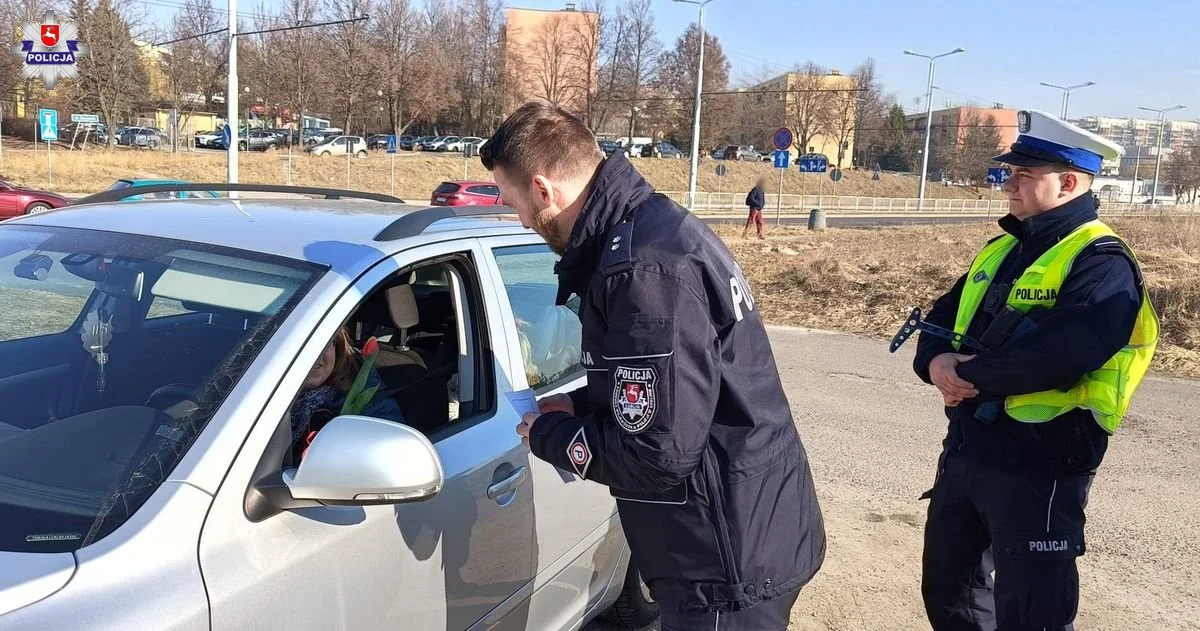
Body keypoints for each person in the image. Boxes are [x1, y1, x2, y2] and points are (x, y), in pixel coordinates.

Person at [481, 101, 825, 631]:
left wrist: (551, 434)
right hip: (744, 525)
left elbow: (657, 454)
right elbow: (676, 390)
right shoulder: (655, 228)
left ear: (543, 190)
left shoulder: (646, 273)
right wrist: (581, 402)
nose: (520, 220)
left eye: (514, 202)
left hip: (722, 561)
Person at [912, 110, 1159, 631]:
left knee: (1032, 610)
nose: (1009, 186)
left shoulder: (1102, 260)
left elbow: (1067, 352)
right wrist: (934, 362)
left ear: (1068, 182)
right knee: (949, 590)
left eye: (1024, 176)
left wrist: (970, 377)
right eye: (1010, 173)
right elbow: (940, 316)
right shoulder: (1005, 246)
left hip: (1042, 460)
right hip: (969, 448)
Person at [291, 328, 405, 460]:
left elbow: (390, 456)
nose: (314, 355)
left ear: (336, 345)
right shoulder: (266, 388)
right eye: (301, 345)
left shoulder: (369, 402)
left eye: (323, 342)